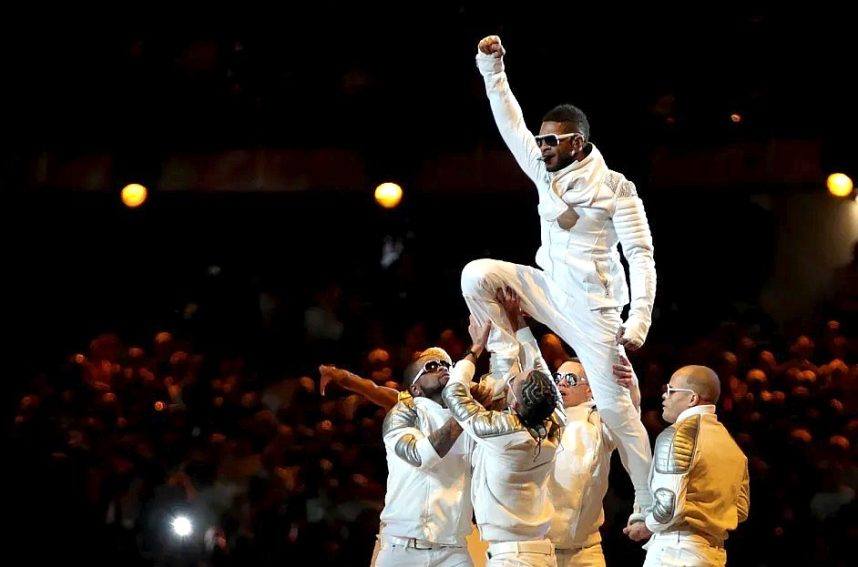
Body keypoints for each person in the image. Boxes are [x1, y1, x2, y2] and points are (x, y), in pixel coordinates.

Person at [462, 34, 656, 522]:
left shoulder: (617, 190)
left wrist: (639, 322)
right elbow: (510, 124)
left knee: (617, 412)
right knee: (477, 275)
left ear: (579, 142)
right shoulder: (543, 169)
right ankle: (512, 361)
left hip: (594, 311)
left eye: (552, 140)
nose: (542, 146)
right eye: (542, 139)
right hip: (548, 289)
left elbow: (642, 255)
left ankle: (650, 503)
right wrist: (493, 68)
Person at [443, 300, 564, 566]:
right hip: (540, 552)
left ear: (515, 404)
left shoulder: (504, 434)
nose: (509, 380)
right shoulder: (554, 427)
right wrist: (519, 324)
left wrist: (474, 350)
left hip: (513, 557)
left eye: (513, 384)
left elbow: (453, 393)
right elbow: (543, 376)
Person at [624, 365, 750, 567]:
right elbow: (740, 510)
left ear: (692, 398)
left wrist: (645, 527)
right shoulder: (732, 446)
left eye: (671, 390)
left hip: (675, 552)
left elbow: (668, 508)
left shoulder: (676, 435)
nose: (664, 396)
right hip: (713, 556)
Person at [373, 346, 477, 567]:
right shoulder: (403, 412)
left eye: (446, 365)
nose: (442, 367)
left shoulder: (471, 417)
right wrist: (463, 411)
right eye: (431, 366)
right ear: (416, 388)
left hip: (454, 550)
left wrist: (477, 350)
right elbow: (420, 456)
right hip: (402, 549)